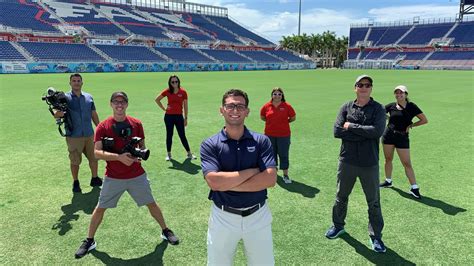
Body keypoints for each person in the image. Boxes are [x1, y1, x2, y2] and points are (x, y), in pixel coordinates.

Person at [75, 91, 179, 259]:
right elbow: (96, 153)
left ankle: (165, 230)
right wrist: (119, 157)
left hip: (136, 175)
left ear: (127, 104)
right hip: (113, 177)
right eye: (116, 102)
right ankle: (89, 240)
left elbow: (142, 147)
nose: (119, 105)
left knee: (151, 203)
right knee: (100, 208)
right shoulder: (103, 126)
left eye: (122, 102)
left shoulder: (136, 123)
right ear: (111, 104)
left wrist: (136, 158)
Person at [200, 89, 277, 265]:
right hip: (223, 217)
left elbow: (270, 180)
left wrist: (225, 183)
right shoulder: (210, 144)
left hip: (258, 216)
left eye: (240, 106)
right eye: (230, 106)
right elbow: (213, 181)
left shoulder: (261, 141)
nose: (235, 110)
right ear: (222, 110)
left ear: (247, 111)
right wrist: (251, 172)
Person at [325, 75, 387, 253]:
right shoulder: (346, 107)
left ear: (371, 88)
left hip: (369, 162)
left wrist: (351, 127)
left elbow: (377, 131)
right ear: (355, 88)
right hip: (347, 160)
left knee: (373, 201)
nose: (364, 88)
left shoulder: (378, 109)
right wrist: (362, 133)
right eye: (360, 85)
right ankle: (338, 225)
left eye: (367, 85)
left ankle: (376, 236)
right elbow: (337, 131)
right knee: (341, 196)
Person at [53, 73, 102, 193]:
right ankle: (76, 182)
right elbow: (55, 112)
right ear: (70, 83)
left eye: (78, 80)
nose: (76, 82)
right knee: (75, 161)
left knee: (94, 158)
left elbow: (93, 114)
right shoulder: (64, 98)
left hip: (89, 134)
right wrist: (58, 113)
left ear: (82, 82)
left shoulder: (89, 97)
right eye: (74, 81)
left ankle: (94, 178)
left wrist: (100, 128)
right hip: (73, 136)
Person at [379, 85, 428, 199]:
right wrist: (387, 118)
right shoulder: (391, 106)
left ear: (406, 94)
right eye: (397, 93)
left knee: (406, 163)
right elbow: (379, 112)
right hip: (388, 135)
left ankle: (414, 188)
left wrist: (411, 125)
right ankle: (388, 181)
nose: (399, 94)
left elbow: (424, 120)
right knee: (388, 159)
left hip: (402, 137)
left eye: (401, 93)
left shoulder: (411, 106)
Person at [155, 75, 196, 161]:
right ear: (170, 83)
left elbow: (186, 106)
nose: (174, 83)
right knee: (169, 135)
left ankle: (189, 153)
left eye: (176, 81)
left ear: (178, 82)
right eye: (172, 82)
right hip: (168, 117)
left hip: (179, 117)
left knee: (182, 135)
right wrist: (164, 108)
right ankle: (169, 155)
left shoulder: (183, 92)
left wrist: (186, 118)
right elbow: (157, 99)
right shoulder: (167, 91)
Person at [260, 87, 296, 184]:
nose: (277, 96)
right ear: (272, 95)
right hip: (269, 135)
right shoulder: (266, 106)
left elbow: (293, 118)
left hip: (284, 135)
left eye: (279, 94)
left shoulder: (287, 106)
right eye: (275, 94)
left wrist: (284, 122)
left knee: (283, 154)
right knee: (271, 155)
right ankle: (273, 174)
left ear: (282, 96)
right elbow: (263, 117)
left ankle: (285, 175)